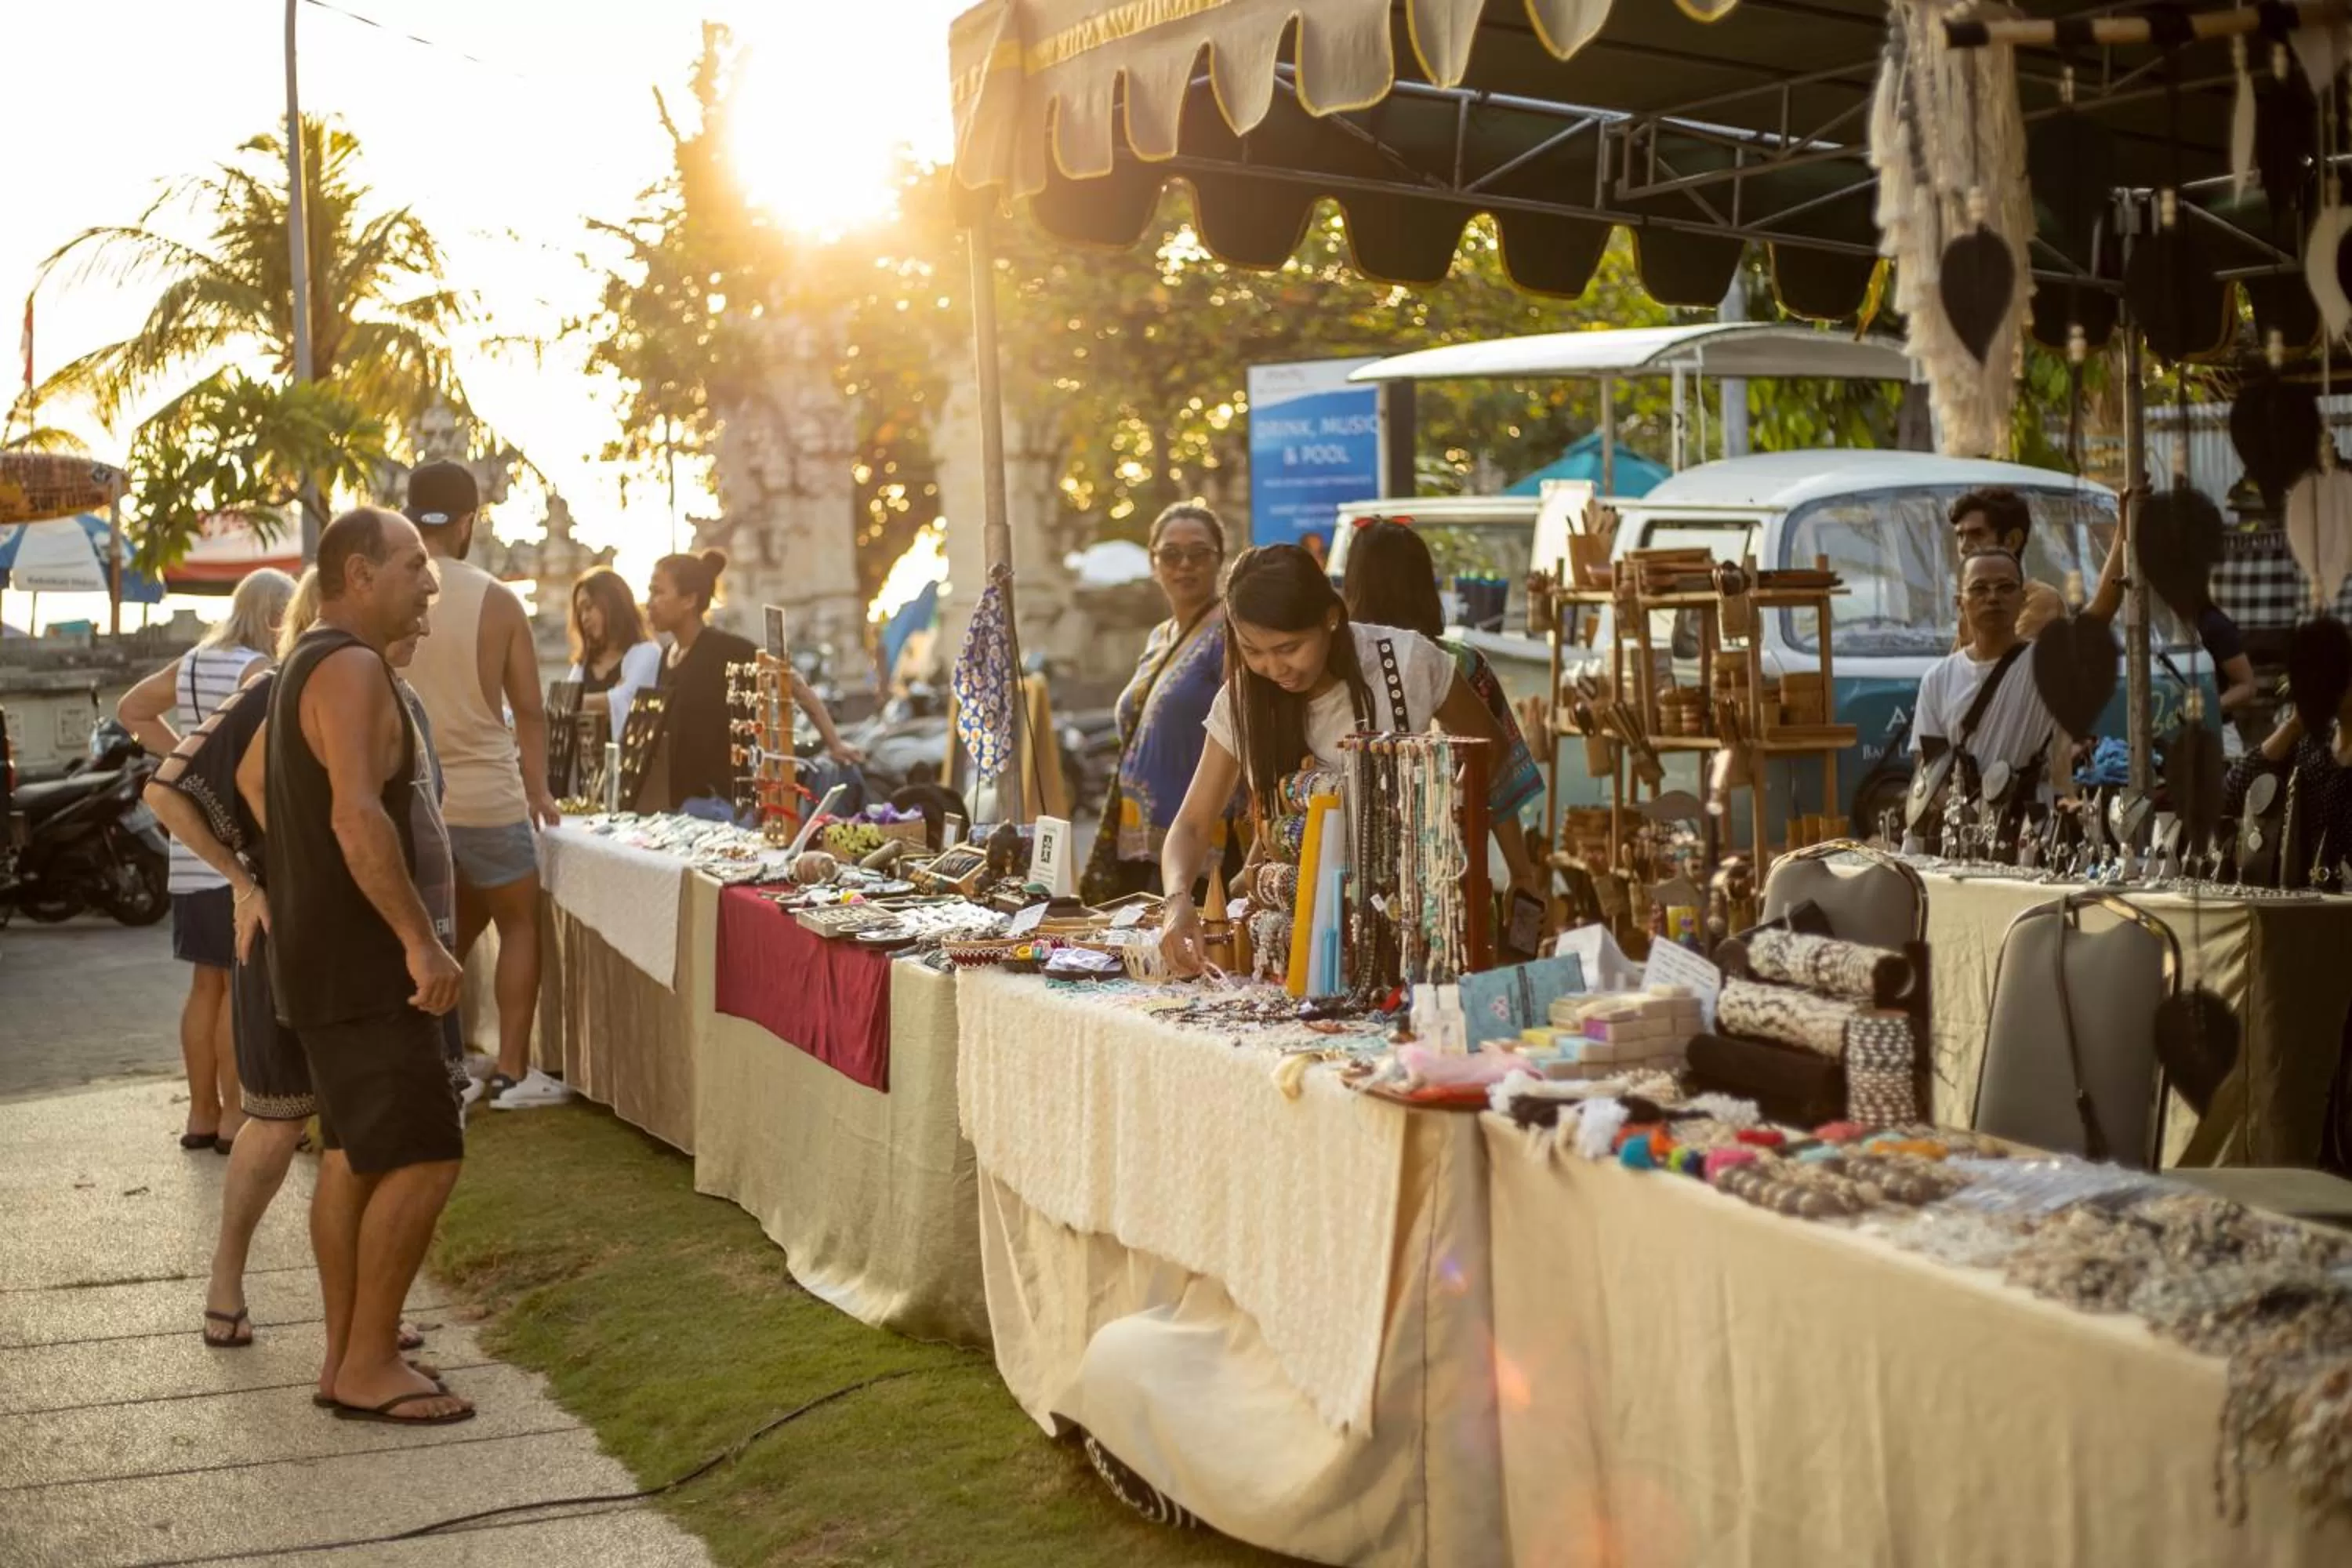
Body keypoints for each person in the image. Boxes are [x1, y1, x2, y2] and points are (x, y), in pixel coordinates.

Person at [143, 576, 437, 1359]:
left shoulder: (385, 689)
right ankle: (226, 1284)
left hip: (359, 944)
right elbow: (168, 790)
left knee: (354, 1134)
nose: (423, 617)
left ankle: (367, 1316)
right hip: (295, 939)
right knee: (276, 1118)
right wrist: (251, 880)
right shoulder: (284, 686)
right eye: (411, 599)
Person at [264, 506, 471, 1425]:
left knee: (351, 1157)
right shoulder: (348, 667)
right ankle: (370, 1362)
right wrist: (419, 941)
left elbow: (286, 795)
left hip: (325, 958)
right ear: (358, 573)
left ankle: (347, 1354)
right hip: (362, 964)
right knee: (426, 1153)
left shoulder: (309, 661)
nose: (430, 581)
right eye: (414, 563)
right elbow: (357, 815)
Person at [1157, 544, 1541, 972]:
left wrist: (1437, 816)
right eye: (1253, 650)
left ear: (1330, 618)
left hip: (1413, 924)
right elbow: (1192, 824)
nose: (1274, 667)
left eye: (1289, 647)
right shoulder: (1243, 700)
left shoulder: (1407, 662)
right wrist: (1177, 900)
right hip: (1296, 936)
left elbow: (1489, 749)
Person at [399, 460, 567, 1112]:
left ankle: (431, 1062)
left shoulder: (391, 589)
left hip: (418, 801)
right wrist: (539, 789)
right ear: (468, 521)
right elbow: (530, 709)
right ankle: (513, 1071)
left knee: (440, 937)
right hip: (490, 797)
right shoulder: (497, 599)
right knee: (519, 926)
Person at [118, 565, 297, 1152]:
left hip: (188, 841)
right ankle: (233, 1118)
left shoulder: (194, 662)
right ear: (274, 615)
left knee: (204, 985)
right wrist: (209, 772)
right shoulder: (259, 669)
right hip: (230, 846)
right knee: (237, 986)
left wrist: (185, 762)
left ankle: (201, 1114)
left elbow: (132, 709)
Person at [1338, 520, 1545, 878]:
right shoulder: (1462, 663)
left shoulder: (1339, 666)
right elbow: (1499, 774)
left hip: (1349, 858)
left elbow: (1495, 758)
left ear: (1354, 587)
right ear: (1424, 586)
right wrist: (1521, 873)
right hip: (1448, 866)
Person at [1080, 503, 1242, 903]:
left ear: (1220, 560)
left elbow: (1248, 729)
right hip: (1136, 845)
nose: (1184, 564)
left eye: (1198, 553)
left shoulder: (1230, 633)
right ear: (1154, 564)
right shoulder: (1159, 637)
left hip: (1201, 849)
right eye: (1171, 554)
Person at [645, 548, 864, 814]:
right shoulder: (666, 656)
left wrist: (835, 744)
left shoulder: (726, 650)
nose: (650, 602)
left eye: (658, 592)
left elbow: (793, 684)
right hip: (677, 809)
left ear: (689, 599)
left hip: (720, 808)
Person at [1914, 547, 2060, 790]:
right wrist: (1960, 811)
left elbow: (2100, 613)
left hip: (2030, 813)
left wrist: (2120, 539)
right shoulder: (1937, 680)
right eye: (1979, 589)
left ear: (2023, 599)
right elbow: (1928, 772)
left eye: (2005, 587)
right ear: (1960, 602)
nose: (1993, 598)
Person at [1948, 486, 2065, 644]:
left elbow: (2002, 655)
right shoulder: (1972, 600)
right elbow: (1964, 658)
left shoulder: (2041, 600)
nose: (1963, 547)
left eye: (1977, 535)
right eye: (1960, 536)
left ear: (2012, 541)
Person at [564, 565, 661, 731]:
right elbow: (564, 708)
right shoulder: (583, 666)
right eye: (580, 612)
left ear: (613, 605)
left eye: (589, 608)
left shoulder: (648, 653)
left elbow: (628, 700)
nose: (584, 618)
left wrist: (577, 703)